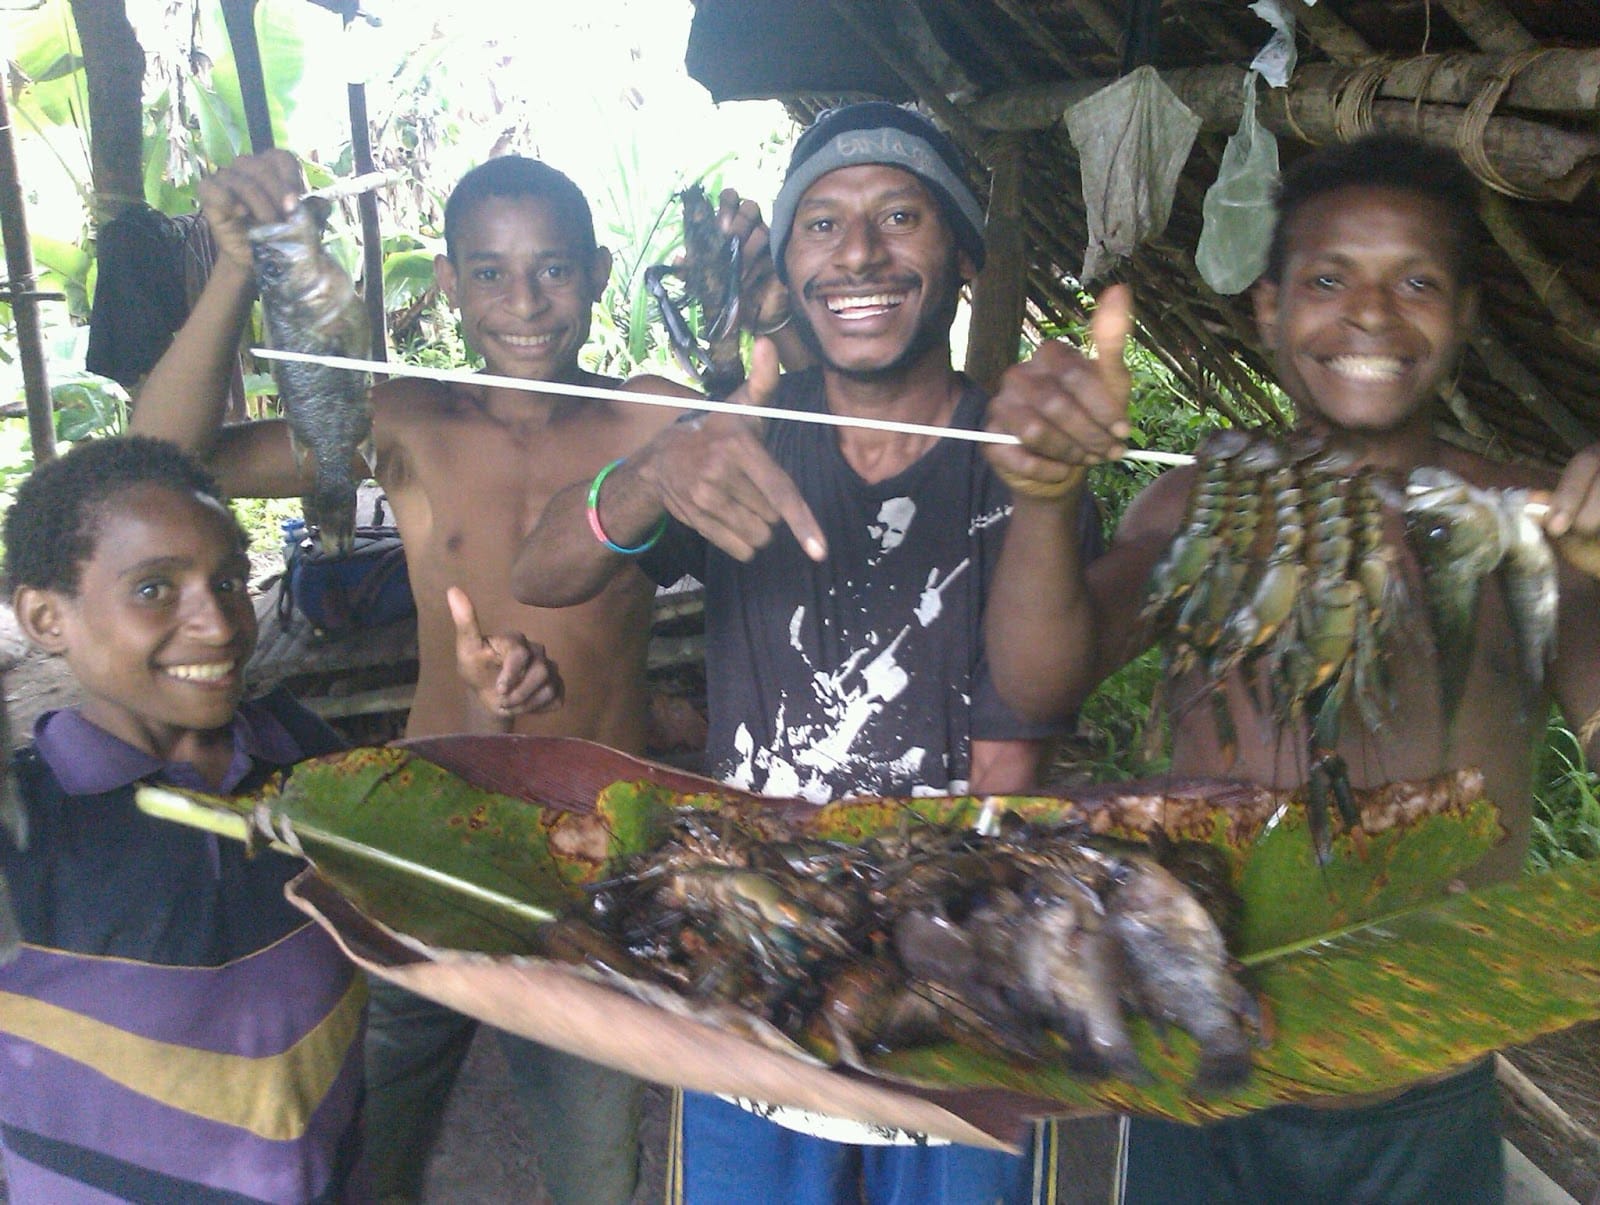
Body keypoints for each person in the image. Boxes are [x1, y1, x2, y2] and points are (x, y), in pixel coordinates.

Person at [981, 133, 1600, 1203]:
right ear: (1267, 309)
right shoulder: (1194, 505)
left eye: (1415, 281)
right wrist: (1040, 499)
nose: (1368, 313)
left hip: (1419, 1077)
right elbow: (1043, 681)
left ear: (1464, 317)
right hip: (1201, 1057)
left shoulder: (1534, 531)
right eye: (1327, 279)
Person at [512, 101, 1103, 1205]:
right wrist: (649, 472)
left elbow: (1038, 707)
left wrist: (1047, 500)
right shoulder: (733, 446)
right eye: (821, 225)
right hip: (755, 985)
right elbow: (540, 572)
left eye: (899, 216)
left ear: (960, 254)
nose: (859, 252)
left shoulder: (1022, 463)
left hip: (962, 993)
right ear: (785, 266)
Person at [129, 151, 692, 1202]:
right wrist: (235, 271)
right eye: (488, 273)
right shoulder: (406, 416)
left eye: (554, 270)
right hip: (421, 838)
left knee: (596, 1167)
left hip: (597, 854)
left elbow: (802, 496)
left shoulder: (651, 419)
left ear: (603, 270)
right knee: (364, 1151)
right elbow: (156, 460)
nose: (524, 302)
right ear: (445, 279)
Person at [0, 435, 368, 1202]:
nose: (222, 623)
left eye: (229, 579)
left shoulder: (295, 745)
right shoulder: (23, 827)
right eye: (153, 589)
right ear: (44, 616)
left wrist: (487, 708)